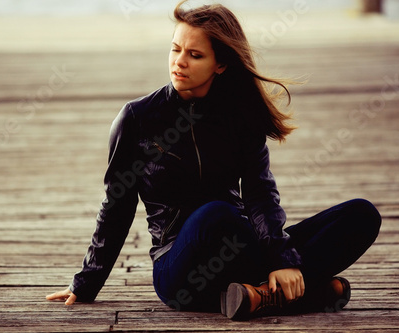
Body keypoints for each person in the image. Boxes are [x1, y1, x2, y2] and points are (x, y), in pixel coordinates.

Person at [47, 1, 381, 320]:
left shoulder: (239, 116)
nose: (179, 61)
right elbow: (116, 205)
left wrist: (282, 257)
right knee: (215, 214)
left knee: (361, 214)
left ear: (220, 64)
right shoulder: (138, 118)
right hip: (178, 269)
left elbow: (259, 193)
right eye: (175, 49)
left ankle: (258, 295)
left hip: (239, 247)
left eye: (194, 55)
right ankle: (300, 291)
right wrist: (86, 282)